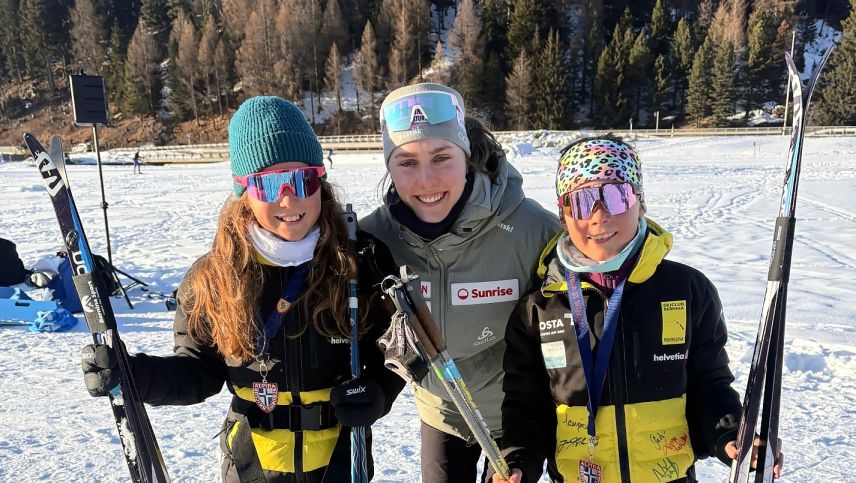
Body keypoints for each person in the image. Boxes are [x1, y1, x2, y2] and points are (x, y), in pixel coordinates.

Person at [81, 96, 404, 482]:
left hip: (340, 463)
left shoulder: (359, 260)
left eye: (304, 179)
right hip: (251, 465)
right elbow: (197, 372)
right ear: (244, 191)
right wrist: (133, 375)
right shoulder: (214, 276)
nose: (290, 198)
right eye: (269, 185)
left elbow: (396, 350)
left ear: (321, 180)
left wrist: (380, 392)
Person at [491, 135, 784, 482]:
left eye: (615, 195)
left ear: (640, 202)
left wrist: (731, 433)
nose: (598, 217)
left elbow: (710, 385)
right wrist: (516, 461)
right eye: (582, 202)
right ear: (563, 213)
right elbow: (524, 406)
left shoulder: (688, 290)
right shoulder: (538, 308)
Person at [360, 83, 561, 482]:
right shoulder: (372, 240)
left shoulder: (531, 229)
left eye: (441, 157)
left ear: (466, 156)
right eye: (406, 163)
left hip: (515, 415)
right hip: (442, 414)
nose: (427, 181)